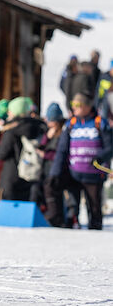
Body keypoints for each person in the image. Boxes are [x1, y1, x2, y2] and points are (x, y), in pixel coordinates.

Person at [48, 92, 112, 230]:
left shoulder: (100, 122)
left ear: (87, 106)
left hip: (94, 174)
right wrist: (55, 172)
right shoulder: (71, 124)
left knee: (94, 208)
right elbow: (62, 151)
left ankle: (95, 233)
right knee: (72, 207)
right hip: (74, 173)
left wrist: (100, 157)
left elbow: (110, 147)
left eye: (78, 105)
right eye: (73, 105)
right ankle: (72, 232)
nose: (74, 108)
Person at [0, 97, 46, 201]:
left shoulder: (11, 129)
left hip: (11, 176)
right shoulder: (39, 127)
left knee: (9, 211)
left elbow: (1, 154)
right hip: (32, 173)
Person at [39, 103, 67, 226]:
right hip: (47, 168)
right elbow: (41, 146)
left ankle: (57, 218)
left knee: (54, 194)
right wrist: (47, 136)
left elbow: (60, 154)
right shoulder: (49, 132)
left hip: (58, 170)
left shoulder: (63, 133)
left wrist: (45, 155)